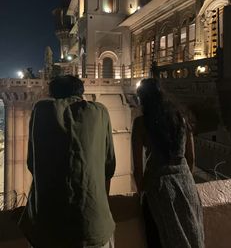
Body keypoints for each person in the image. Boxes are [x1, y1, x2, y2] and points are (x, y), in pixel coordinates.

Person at [19, 75, 116, 248]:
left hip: (47, 227)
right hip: (94, 226)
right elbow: (109, 167)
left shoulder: (41, 110)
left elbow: (32, 163)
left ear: (53, 93)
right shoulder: (100, 111)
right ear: (81, 92)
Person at [132, 78, 204, 248]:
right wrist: (185, 178)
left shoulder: (141, 123)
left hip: (158, 188)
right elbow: (191, 157)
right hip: (186, 184)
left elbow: (137, 167)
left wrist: (142, 191)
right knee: (192, 235)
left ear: (143, 99)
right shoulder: (181, 118)